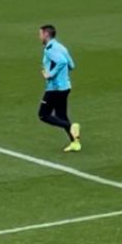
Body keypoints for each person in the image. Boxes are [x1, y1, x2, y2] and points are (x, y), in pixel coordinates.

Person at [37, 25, 81, 153]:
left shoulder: (50, 49)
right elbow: (71, 65)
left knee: (43, 115)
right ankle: (75, 143)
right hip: (65, 87)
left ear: (46, 34)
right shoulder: (61, 47)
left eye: (40, 34)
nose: (39, 37)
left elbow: (61, 62)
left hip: (54, 88)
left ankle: (71, 126)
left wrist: (50, 74)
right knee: (61, 115)